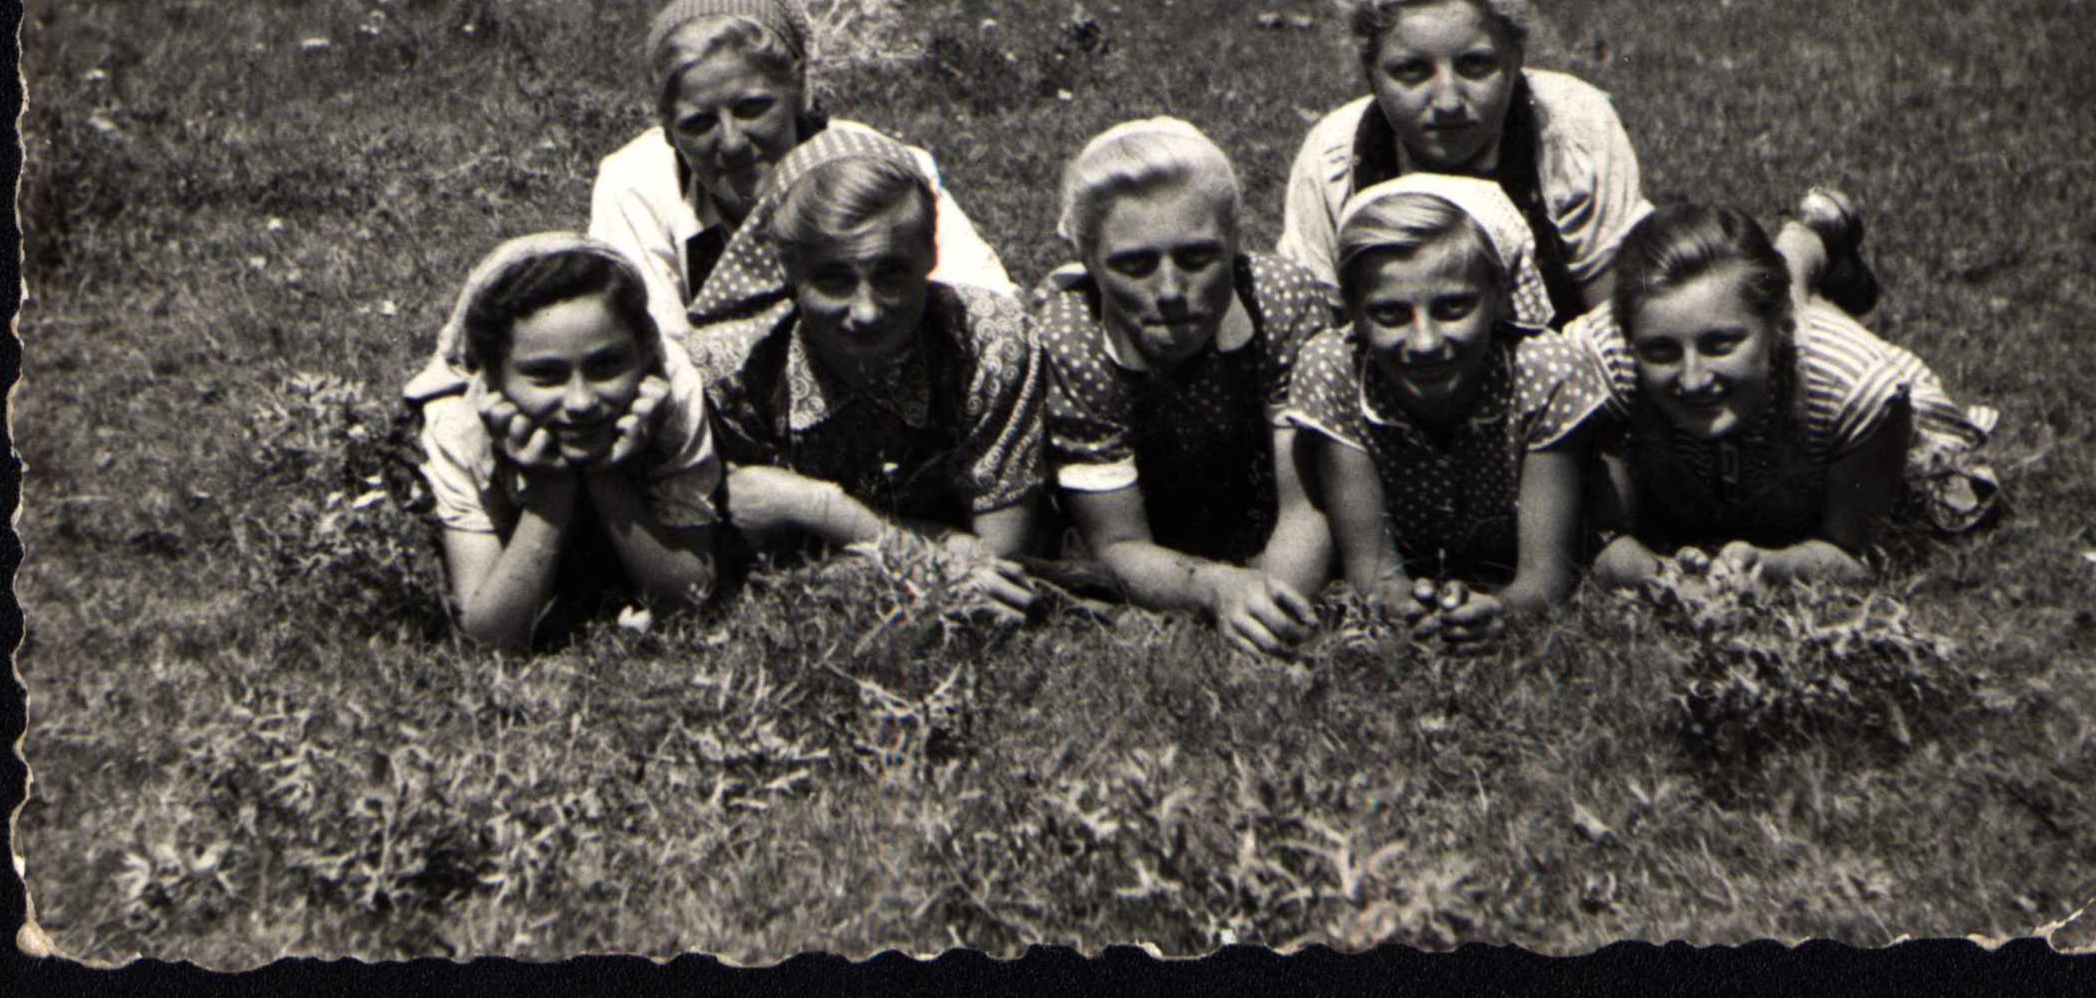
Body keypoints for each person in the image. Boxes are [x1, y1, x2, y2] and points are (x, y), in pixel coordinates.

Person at [685, 125, 1044, 615]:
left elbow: (998, 570)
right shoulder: (730, 370)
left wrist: (815, 507)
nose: (867, 311)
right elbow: (726, 573)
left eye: (892, 273)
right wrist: (942, 555)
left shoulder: (990, 340)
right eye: (833, 280)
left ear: (930, 254)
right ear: (787, 270)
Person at [1568, 203, 1999, 589]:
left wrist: (1771, 566)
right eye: (1661, 351)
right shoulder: (1600, 359)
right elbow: (1600, 534)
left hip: (1858, 406)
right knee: (1739, 293)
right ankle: (1812, 232)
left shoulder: (1855, 385)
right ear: (1628, 337)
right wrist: (1657, 576)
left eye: (1721, 345)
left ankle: (1809, 236)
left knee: (1940, 493)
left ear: (1778, 325)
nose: (1694, 379)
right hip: (1743, 384)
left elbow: (1851, 553)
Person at [1033, 118, 1336, 657]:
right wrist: (1214, 588)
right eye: (1134, 265)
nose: (1170, 290)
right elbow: (1117, 542)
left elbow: (1308, 505)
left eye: (1197, 258)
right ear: (1087, 261)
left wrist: (1273, 610)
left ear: (1236, 242)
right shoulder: (1069, 336)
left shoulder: (1281, 302)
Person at [591, 0, 1012, 345]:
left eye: (753, 108)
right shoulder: (639, 180)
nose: (732, 144)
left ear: (800, 91)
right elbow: (649, 342)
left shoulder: (878, 166)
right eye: (698, 124)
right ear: (667, 130)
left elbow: (988, 307)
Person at [1286, 176, 1606, 652]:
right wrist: (1400, 608)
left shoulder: (1546, 373)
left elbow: (1547, 575)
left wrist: (1500, 612)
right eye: (1391, 314)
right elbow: (1371, 567)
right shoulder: (1335, 370)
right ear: (1353, 310)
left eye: (1453, 307)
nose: (1425, 342)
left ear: (1499, 294)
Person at [1279, 0, 1652, 322]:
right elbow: (1318, 327)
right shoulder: (1337, 153)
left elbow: (1621, 319)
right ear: (1370, 73)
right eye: (1412, 70)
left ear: (1515, 60)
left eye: (1475, 65)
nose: (1447, 102)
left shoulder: (1567, 126)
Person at [404, 234, 726, 653]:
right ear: (492, 376)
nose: (581, 402)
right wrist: (550, 491)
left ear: (645, 350)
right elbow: (489, 639)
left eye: (606, 365)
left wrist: (607, 477)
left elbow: (690, 602)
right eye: (545, 375)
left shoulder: (671, 392)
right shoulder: (460, 424)